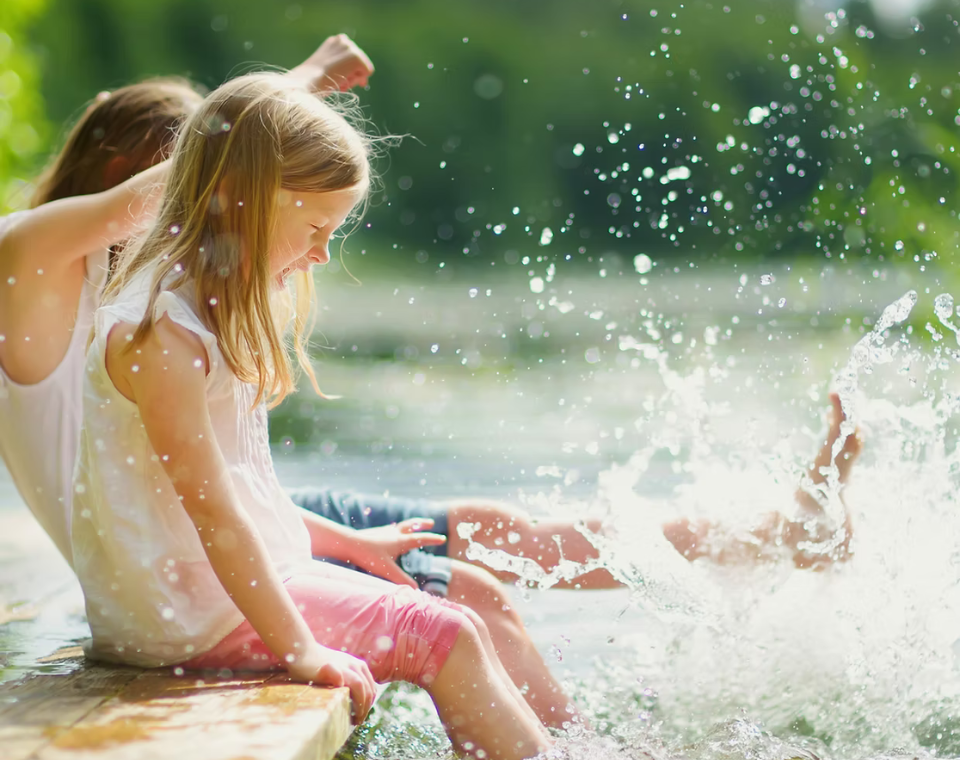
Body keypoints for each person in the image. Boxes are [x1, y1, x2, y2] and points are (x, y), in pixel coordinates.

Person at [0, 37, 577, 727]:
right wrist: (295, 88)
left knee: (488, 566)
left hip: (222, 529)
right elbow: (184, 185)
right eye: (200, 155)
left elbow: (227, 492)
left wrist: (342, 539)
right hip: (176, 571)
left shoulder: (162, 294)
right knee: (464, 611)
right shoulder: (34, 261)